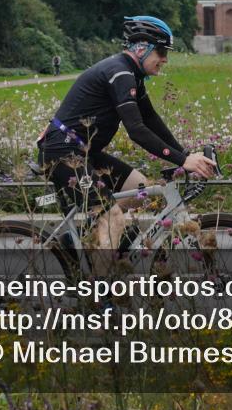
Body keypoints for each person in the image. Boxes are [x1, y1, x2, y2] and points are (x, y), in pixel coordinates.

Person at [36, 15, 216, 256]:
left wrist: (185, 154)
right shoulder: (120, 73)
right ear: (142, 48)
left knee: (140, 188)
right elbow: (137, 130)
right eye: (161, 51)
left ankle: (85, 238)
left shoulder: (132, 75)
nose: (165, 59)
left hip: (82, 151)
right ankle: (103, 278)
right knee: (114, 219)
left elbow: (150, 119)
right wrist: (182, 161)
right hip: (63, 153)